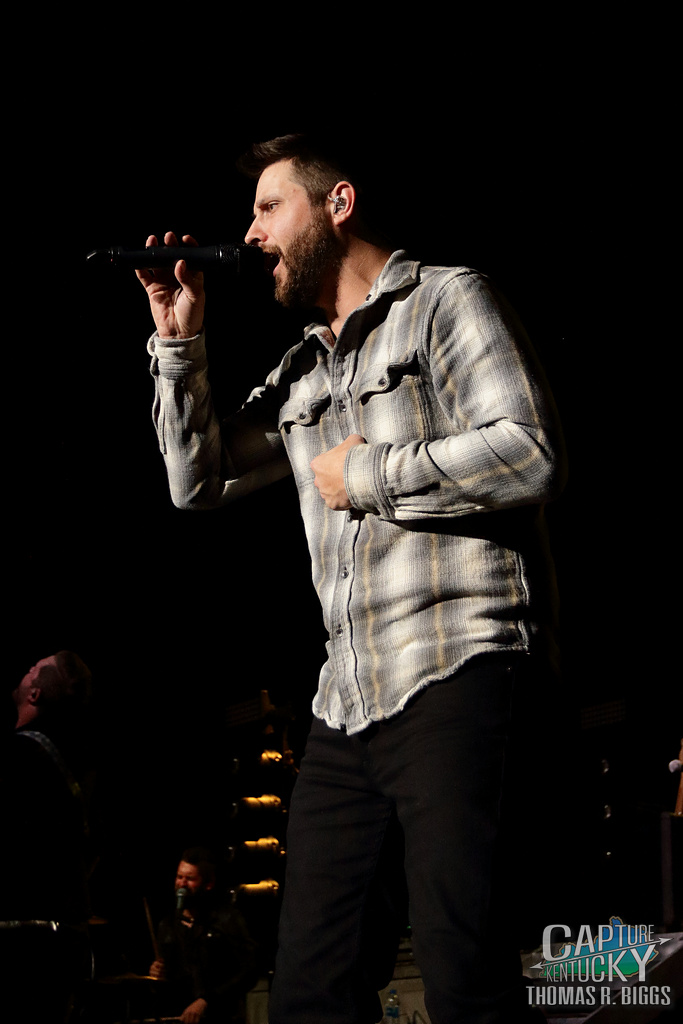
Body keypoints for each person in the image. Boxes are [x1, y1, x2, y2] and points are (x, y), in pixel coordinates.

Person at [138, 134, 567, 1024]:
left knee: (462, 974)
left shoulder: (445, 299)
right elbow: (196, 481)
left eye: (268, 208)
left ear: (337, 204)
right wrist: (179, 343)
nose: (249, 234)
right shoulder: (301, 369)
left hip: (459, 663)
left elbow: (527, 452)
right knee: (308, 990)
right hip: (346, 701)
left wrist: (368, 473)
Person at [0, 650, 94, 1021]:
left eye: (35, 669)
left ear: (35, 694)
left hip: (20, 951)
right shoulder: (75, 768)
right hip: (63, 948)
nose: (28, 668)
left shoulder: (17, 758)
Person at [149, 847, 257, 1023]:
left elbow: (249, 970)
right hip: (181, 1017)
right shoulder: (168, 925)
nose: (182, 884)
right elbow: (171, 980)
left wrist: (207, 1000)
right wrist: (157, 974)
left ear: (209, 884)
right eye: (179, 877)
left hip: (221, 1017)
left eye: (190, 879)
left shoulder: (226, 919)